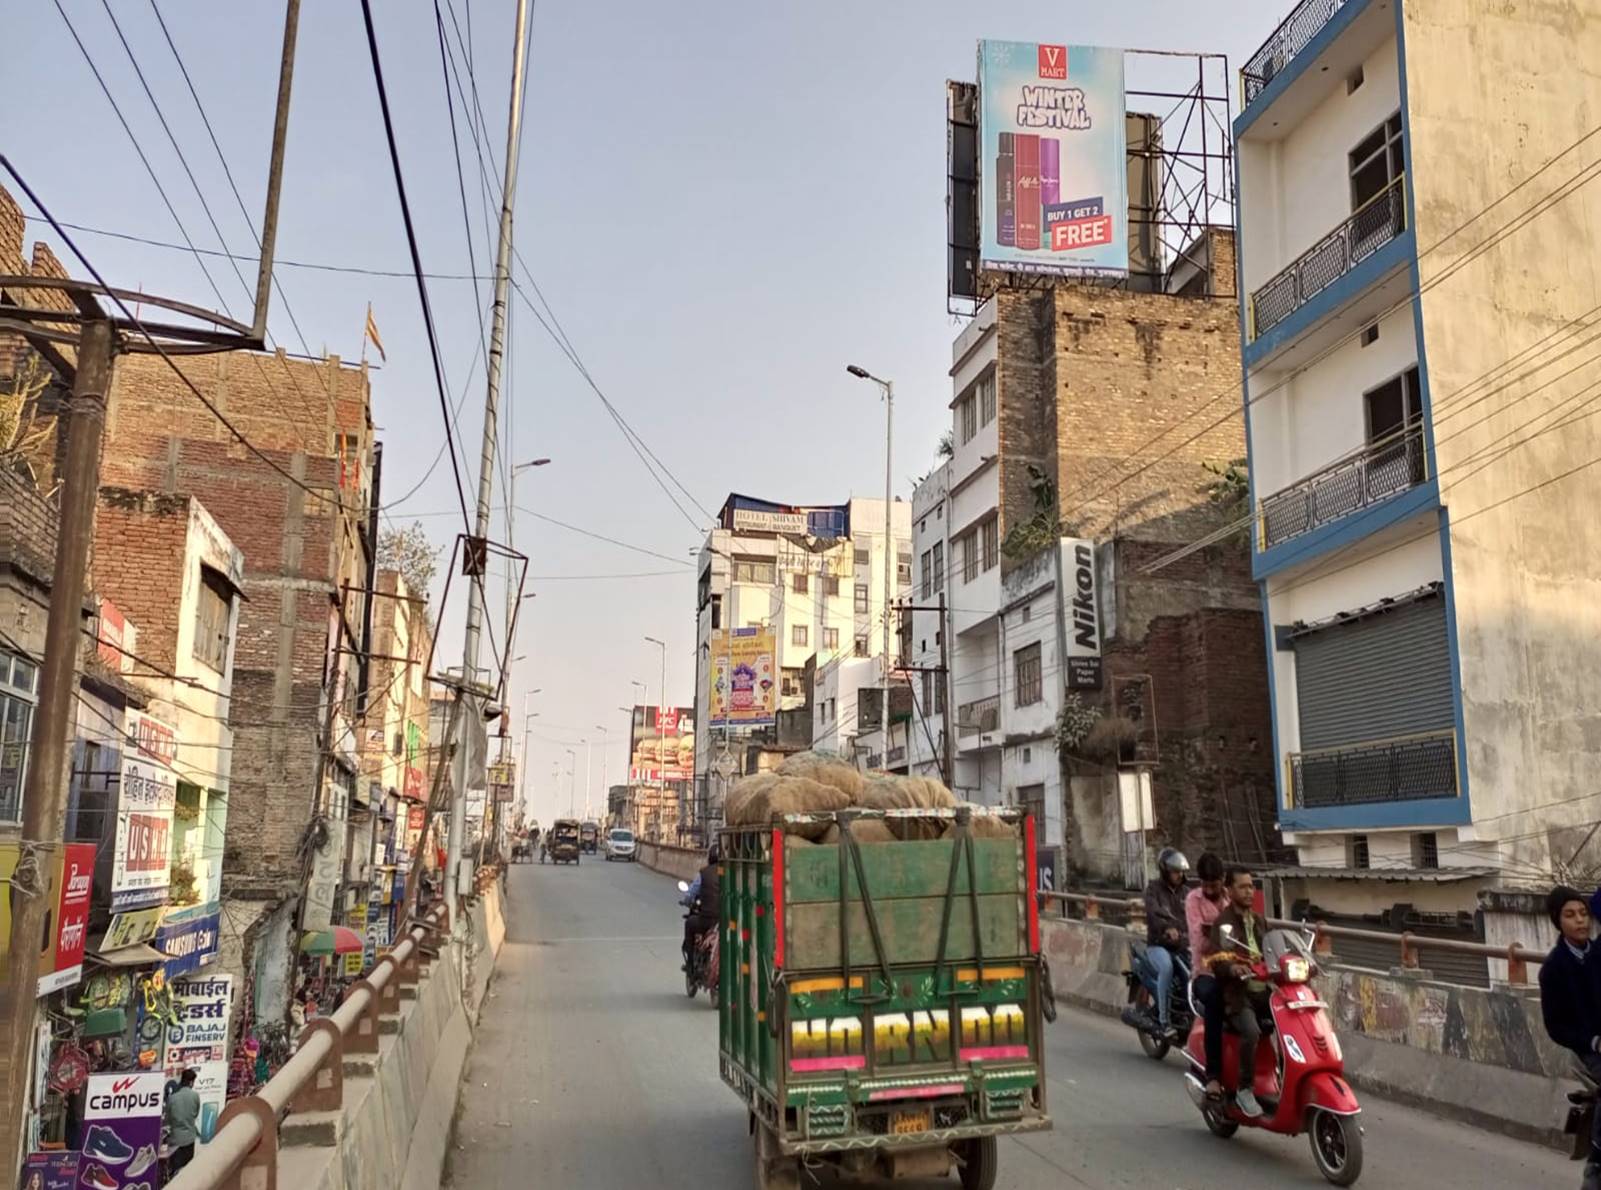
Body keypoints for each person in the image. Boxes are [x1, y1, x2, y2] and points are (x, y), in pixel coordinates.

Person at [1539, 885, 1601, 1189]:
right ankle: (1598, 1161)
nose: (1580, 921)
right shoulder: (1554, 969)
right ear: (1557, 921)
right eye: (1570, 915)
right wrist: (1593, 1041)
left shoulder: (1599, 952)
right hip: (1587, 1050)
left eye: (1583, 913)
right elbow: (1556, 1026)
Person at [1206, 865, 1269, 1119]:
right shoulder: (1224, 924)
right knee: (1252, 1031)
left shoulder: (1259, 920)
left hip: (1264, 991)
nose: (1248, 891)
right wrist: (1232, 968)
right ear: (1230, 891)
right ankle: (1245, 1089)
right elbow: (1218, 957)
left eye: (1251, 886)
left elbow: (1273, 950)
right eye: (1242, 887)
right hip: (1239, 995)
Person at [1186, 852, 1229, 1099]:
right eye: (1206, 884)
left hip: (1235, 969)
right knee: (1215, 1000)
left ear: (1223, 880)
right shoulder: (1194, 900)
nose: (1210, 889)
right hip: (1206, 972)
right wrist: (1220, 937)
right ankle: (1213, 1075)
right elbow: (1199, 941)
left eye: (1215, 884)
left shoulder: (1230, 898)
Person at [1137, 848, 1190, 1039]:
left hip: (1183, 945)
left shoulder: (1187, 893)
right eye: (1175, 871)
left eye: (1181, 871)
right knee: (1166, 967)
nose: (1179, 875)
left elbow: (1195, 915)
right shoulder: (1153, 890)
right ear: (1165, 870)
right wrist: (1167, 928)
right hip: (1159, 945)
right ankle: (1163, 1021)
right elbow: (1154, 913)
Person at [682, 845, 722, 968]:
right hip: (723, 921)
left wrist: (686, 901)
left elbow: (691, 894)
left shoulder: (704, 873)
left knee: (689, 924)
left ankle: (690, 964)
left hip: (707, 920)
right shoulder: (730, 873)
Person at [165, 1068, 202, 1172]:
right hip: (190, 1139)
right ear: (191, 1082)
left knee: (175, 1172)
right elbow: (195, 1113)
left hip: (175, 1140)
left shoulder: (172, 1098)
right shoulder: (195, 1096)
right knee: (188, 1171)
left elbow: (167, 1119)